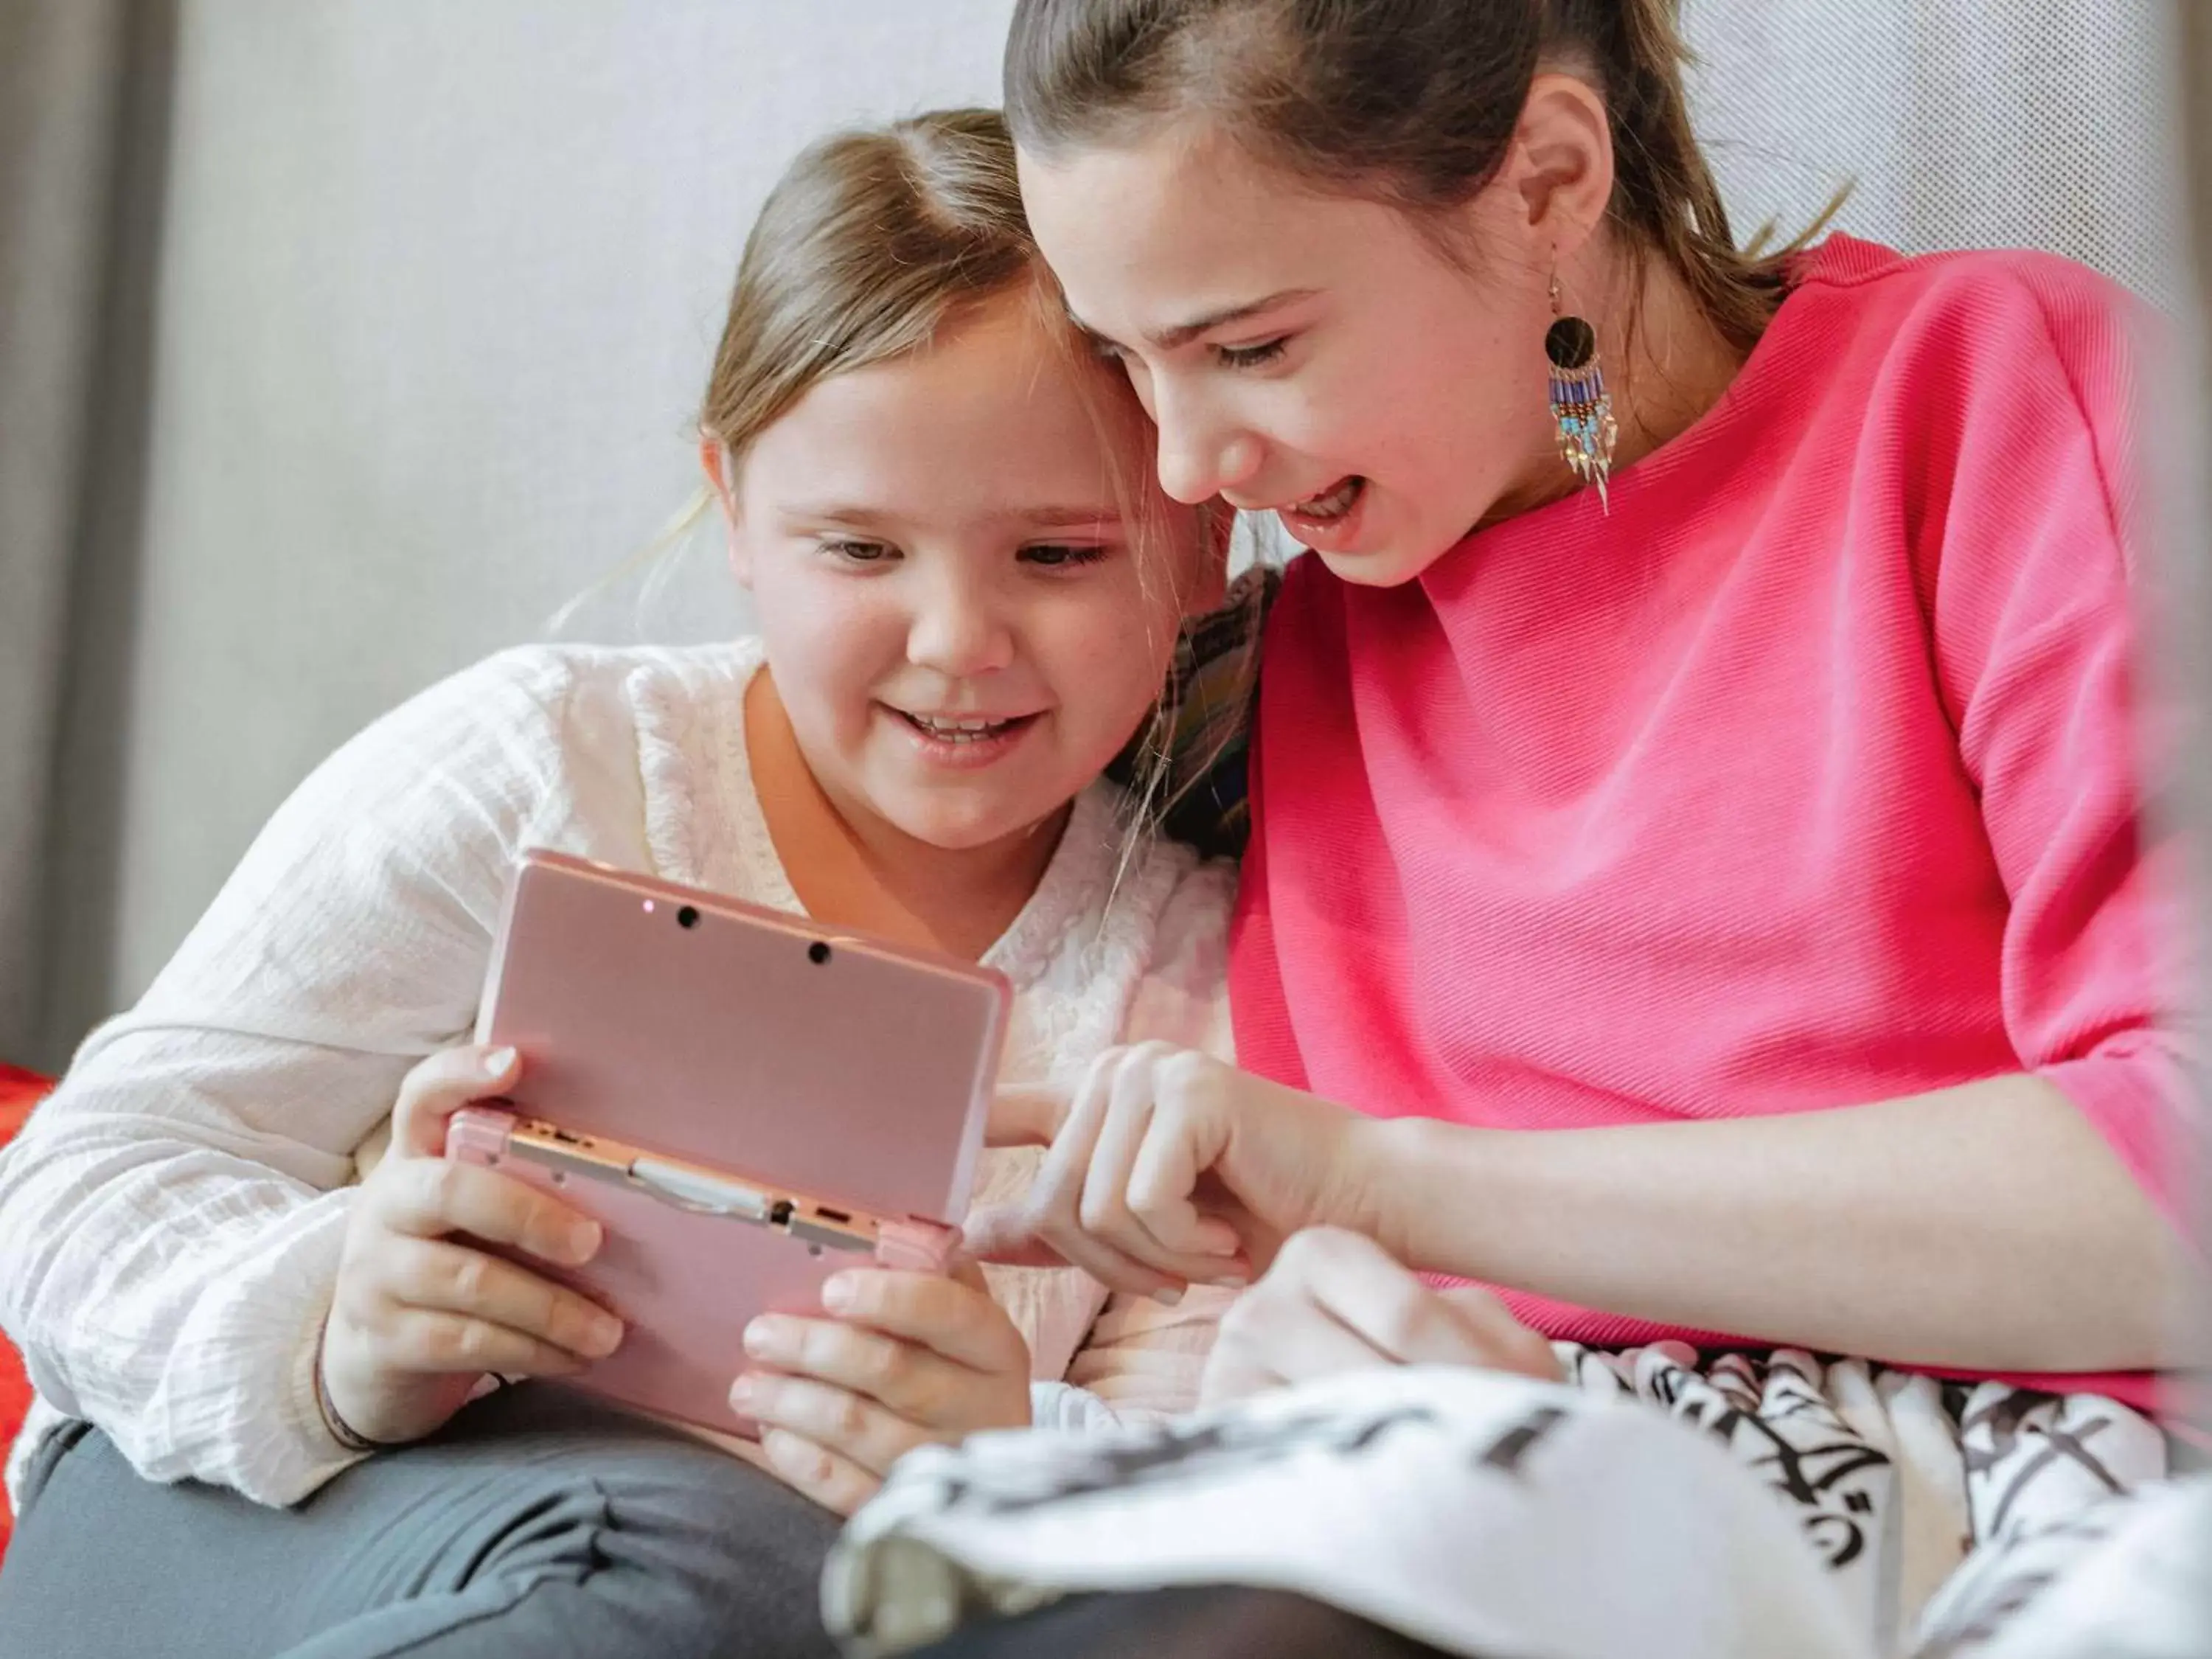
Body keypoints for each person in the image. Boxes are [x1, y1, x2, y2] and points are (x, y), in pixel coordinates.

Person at [888, 1, 2205, 1652]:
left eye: (1251, 347)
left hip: (1996, 1483)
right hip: (1477, 1496)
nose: (1188, 462)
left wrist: (1395, 1194)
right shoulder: (1296, 646)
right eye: (1125, 360)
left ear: (1547, 184)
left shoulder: (1981, 393)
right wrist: (1303, 1338)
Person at [0, 108, 1237, 1658]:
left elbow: (1216, 1480)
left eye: (1057, 556)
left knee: (722, 1577)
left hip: (731, 1605)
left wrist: (1000, 1447)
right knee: (669, 1562)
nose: (956, 643)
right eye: (859, 550)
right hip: (240, 1522)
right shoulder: (548, 770)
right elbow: (83, 1179)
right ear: (733, 509)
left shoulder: (1202, 985)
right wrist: (339, 1324)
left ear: (1203, 540)